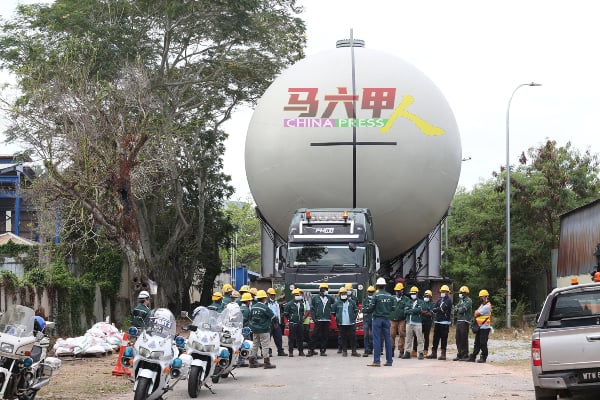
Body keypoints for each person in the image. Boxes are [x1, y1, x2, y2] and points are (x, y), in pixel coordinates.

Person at [364, 277, 395, 367]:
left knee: (376, 339)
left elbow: (370, 308)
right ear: (385, 286)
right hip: (386, 319)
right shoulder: (390, 296)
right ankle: (389, 361)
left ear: (377, 286)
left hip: (377, 319)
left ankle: (377, 361)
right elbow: (393, 308)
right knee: (387, 340)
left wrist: (366, 311)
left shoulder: (376, 296)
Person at [249, 290, 277, 369]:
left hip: (255, 330)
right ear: (264, 298)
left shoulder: (253, 307)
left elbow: (250, 318)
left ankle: (251, 362)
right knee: (265, 346)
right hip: (264, 330)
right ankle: (267, 363)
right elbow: (273, 317)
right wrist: (276, 323)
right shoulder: (265, 308)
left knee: (255, 345)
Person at [307, 283, 335, 357]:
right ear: (320, 290)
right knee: (314, 335)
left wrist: (332, 313)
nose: (324, 291)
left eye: (326, 289)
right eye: (323, 289)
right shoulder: (315, 298)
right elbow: (312, 309)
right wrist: (313, 318)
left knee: (325, 336)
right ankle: (311, 350)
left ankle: (323, 350)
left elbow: (335, 305)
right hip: (318, 320)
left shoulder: (330, 298)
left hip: (326, 320)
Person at [332, 287, 360, 357]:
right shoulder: (336, 303)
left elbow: (356, 311)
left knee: (353, 337)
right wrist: (338, 318)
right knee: (343, 338)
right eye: (342, 293)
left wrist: (353, 318)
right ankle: (344, 351)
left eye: (345, 293)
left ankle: (354, 351)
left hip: (351, 323)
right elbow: (333, 313)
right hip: (341, 323)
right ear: (339, 295)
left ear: (347, 295)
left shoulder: (352, 302)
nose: (343, 295)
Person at [426, 284, 452, 360]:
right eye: (442, 291)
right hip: (437, 322)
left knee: (444, 338)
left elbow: (442, 309)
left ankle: (443, 354)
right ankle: (434, 353)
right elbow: (434, 309)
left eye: (444, 291)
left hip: (445, 323)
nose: (442, 293)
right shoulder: (439, 300)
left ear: (447, 292)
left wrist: (438, 309)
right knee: (435, 338)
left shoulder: (449, 301)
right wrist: (438, 309)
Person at [468, 289, 492, 363]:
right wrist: (477, 312)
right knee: (477, 343)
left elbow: (476, 313)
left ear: (485, 297)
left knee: (483, 343)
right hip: (480, 327)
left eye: (481, 297)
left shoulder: (487, 306)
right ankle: (473, 356)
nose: (480, 298)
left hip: (485, 328)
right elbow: (476, 312)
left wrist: (477, 312)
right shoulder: (482, 305)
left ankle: (483, 357)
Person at [402, 286, 425, 359]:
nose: (413, 294)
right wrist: (413, 310)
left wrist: (411, 310)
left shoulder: (421, 302)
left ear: (417, 293)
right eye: (411, 293)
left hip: (417, 323)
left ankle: (420, 353)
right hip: (409, 322)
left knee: (419, 339)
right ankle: (407, 352)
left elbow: (419, 310)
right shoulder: (408, 301)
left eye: (414, 293)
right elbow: (405, 311)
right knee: (408, 338)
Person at [453, 285, 473, 361]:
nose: (460, 294)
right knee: (458, 338)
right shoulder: (461, 301)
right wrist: (458, 308)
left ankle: (465, 355)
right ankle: (459, 354)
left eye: (462, 292)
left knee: (463, 338)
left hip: (465, 321)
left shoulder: (469, 300)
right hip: (459, 321)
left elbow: (462, 310)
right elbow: (455, 308)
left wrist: (458, 308)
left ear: (466, 293)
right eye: (460, 292)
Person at [283, 288, 305, 357]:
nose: (297, 296)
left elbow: (302, 312)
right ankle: (291, 352)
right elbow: (285, 314)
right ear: (293, 296)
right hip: (292, 324)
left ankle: (301, 351)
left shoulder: (301, 304)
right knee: (291, 338)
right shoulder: (289, 304)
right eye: (296, 295)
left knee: (300, 338)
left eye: (298, 295)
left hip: (300, 324)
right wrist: (289, 321)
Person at [267, 287, 287, 356]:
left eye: (273, 295)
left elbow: (278, 312)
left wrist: (279, 321)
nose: (273, 296)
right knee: (267, 338)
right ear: (268, 295)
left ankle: (280, 351)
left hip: (276, 322)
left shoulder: (276, 303)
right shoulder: (266, 303)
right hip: (269, 322)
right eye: (271, 295)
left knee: (278, 337)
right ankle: (268, 352)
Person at [390, 282, 408, 358]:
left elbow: (407, 309)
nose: (397, 292)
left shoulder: (406, 299)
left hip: (402, 320)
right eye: (396, 291)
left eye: (399, 290)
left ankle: (401, 351)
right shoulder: (392, 298)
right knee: (392, 335)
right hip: (392, 320)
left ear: (402, 291)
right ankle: (391, 350)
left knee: (402, 334)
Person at [418, 289, 434, 356]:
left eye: (427, 296)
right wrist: (426, 312)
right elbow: (419, 311)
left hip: (428, 323)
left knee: (426, 337)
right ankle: (416, 350)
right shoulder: (421, 303)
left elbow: (430, 314)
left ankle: (425, 350)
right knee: (418, 337)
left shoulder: (432, 304)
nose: (426, 297)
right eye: (425, 296)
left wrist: (423, 312)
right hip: (421, 322)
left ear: (430, 297)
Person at [362, 285, 376, 357]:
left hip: (374, 319)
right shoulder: (365, 300)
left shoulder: (376, 300)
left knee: (373, 335)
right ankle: (366, 350)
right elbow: (363, 310)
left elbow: (375, 309)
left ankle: (371, 349)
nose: (370, 293)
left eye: (372, 292)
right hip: (367, 319)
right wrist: (370, 309)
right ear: (367, 292)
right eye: (369, 292)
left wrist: (368, 309)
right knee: (366, 335)